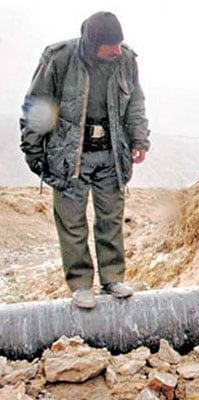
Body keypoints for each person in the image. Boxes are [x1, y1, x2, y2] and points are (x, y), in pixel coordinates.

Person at [20, 11, 150, 309]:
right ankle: (80, 285)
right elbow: (38, 105)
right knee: (72, 222)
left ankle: (112, 279)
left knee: (110, 219)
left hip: (110, 154)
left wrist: (139, 139)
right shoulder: (60, 58)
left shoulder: (126, 60)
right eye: (110, 46)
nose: (116, 51)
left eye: (119, 44)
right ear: (92, 43)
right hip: (69, 155)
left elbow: (135, 103)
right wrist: (33, 148)